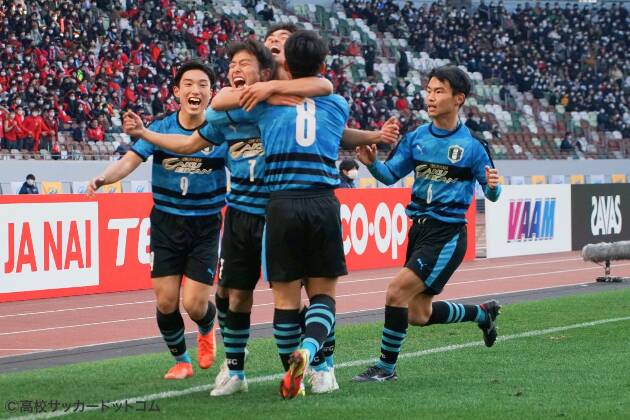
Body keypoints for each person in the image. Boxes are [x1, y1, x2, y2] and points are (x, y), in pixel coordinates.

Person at [207, 30, 396, 400]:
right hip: (322, 202)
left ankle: (297, 367)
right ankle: (310, 355)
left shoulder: (264, 104)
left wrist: (263, 90)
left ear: (284, 64)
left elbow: (220, 103)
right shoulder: (336, 102)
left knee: (285, 302)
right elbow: (326, 94)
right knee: (323, 295)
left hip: (278, 204)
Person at [353, 65, 502, 382]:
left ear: (458, 98)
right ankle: (482, 313)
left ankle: (386, 368)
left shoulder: (473, 146)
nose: (430, 98)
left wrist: (492, 186)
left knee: (395, 292)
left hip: (446, 234)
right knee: (418, 315)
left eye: (439, 91)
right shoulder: (416, 137)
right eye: (429, 90)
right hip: (418, 230)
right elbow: (390, 175)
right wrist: (372, 164)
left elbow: (493, 193)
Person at [89, 61, 226, 381]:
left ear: (212, 93)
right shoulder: (161, 128)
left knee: (194, 303)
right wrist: (103, 179)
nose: (196, 90)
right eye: (189, 84)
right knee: (165, 301)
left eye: (203, 84)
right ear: (177, 92)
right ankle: (182, 360)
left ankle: (207, 328)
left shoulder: (220, 132)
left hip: (205, 225)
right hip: (166, 223)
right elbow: (129, 161)